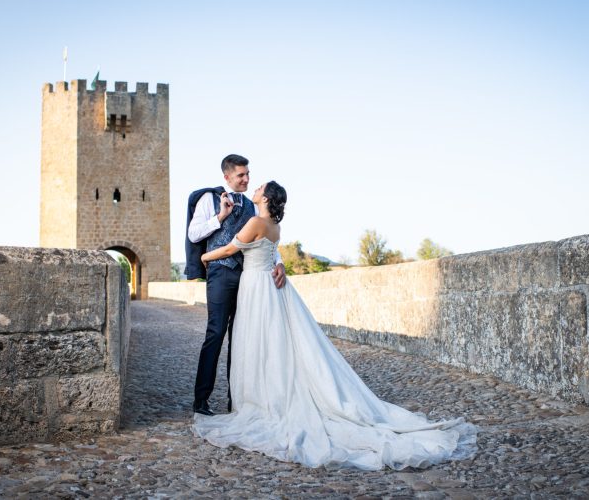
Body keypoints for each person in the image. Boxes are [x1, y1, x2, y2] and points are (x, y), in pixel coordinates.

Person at [192, 181, 477, 470]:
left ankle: (261, 402)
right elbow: (266, 252)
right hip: (267, 285)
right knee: (273, 343)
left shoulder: (255, 220)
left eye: (260, 187)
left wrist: (203, 256)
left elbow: (230, 249)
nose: (255, 187)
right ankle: (263, 396)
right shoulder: (275, 226)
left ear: (265, 198)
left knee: (259, 343)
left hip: (256, 287)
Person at [186, 154, 286, 417]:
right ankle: (201, 400)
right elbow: (193, 234)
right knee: (216, 332)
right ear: (227, 176)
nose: (246, 179)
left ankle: (237, 401)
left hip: (247, 276)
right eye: (241, 175)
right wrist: (220, 217)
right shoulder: (209, 199)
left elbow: (265, 239)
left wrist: (280, 262)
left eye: (248, 174)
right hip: (220, 274)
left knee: (240, 337)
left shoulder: (255, 207)